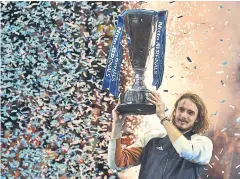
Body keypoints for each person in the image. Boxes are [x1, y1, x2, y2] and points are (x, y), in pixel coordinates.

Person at [108, 92, 213, 179]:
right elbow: (116, 164)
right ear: (175, 111)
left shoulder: (203, 144)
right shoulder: (151, 139)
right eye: (181, 109)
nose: (183, 115)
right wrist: (117, 124)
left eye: (190, 113)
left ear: (198, 118)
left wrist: (163, 118)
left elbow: (184, 150)